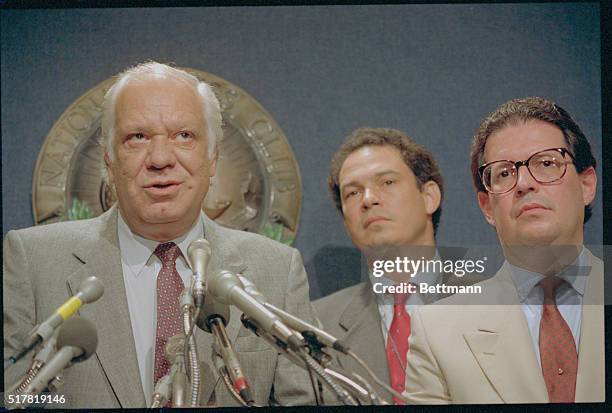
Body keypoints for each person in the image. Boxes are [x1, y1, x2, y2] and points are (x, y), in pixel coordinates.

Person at [3, 62, 315, 408]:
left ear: (212, 158)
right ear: (108, 157)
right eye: (137, 137)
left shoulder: (277, 269)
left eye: (184, 135)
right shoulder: (33, 261)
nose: (161, 159)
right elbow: (13, 397)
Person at [403, 97, 603, 403]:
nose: (523, 183)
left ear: (586, 184)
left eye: (547, 163)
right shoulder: (437, 329)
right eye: (504, 173)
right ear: (487, 207)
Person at [314, 127, 453, 404]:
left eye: (387, 182)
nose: (368, 199)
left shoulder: (499, 302)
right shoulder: (315, 326)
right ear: (345, 221)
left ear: (429, 197)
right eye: (352, 193)